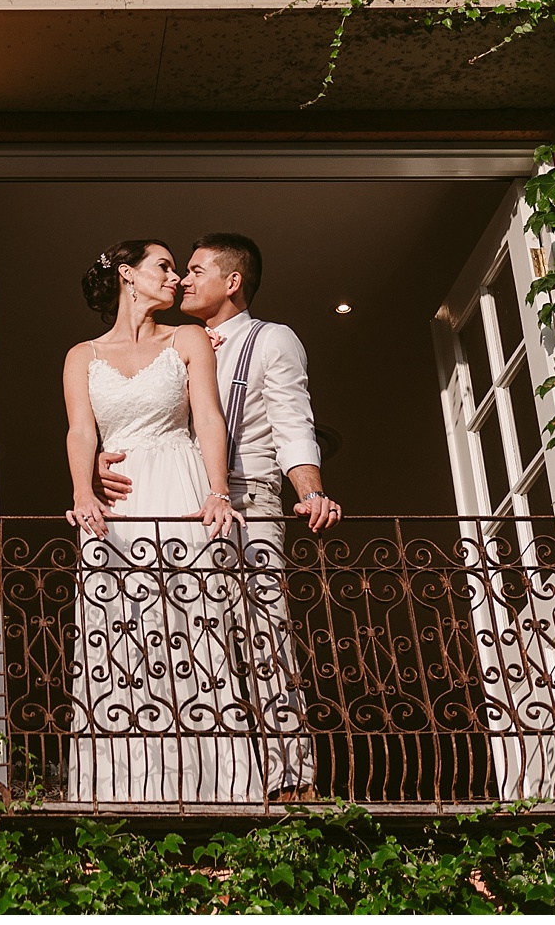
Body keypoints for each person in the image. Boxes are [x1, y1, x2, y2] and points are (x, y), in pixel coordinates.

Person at [97, 231, 338, 801]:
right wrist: (100, 460)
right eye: (181, 269)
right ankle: (195, 775)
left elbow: (292, 424)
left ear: (232, 282)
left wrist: (310, 490)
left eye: (198, 269)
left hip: (249, 503)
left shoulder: (270, 340)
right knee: (192, 640)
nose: (185, 278)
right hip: (179, 503)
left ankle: (287, 779)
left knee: (260, 634)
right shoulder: (174, 340)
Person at [61, 238, 254, 804]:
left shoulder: (189, 339)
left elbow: (209, 418)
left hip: (180, 482)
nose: (176, 279)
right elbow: (80, 431)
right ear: (128, 275)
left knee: (194, 627)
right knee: (119, 636)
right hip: (118, 503)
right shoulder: (82, 356)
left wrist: (219, 492)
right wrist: (81, 491)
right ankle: (123, 785)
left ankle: (217, 786)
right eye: (164, 267)